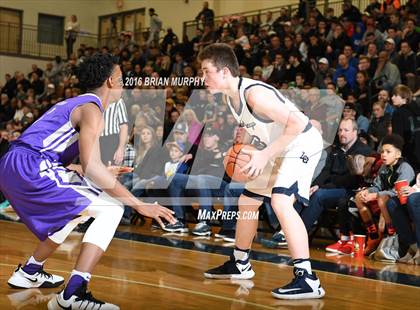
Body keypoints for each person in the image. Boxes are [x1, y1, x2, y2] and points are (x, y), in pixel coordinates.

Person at [0, 53, 175, 309]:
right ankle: (73, 295)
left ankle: (29, 271)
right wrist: (139, 205)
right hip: (30, 166)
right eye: (122, 78)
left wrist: (98, 170)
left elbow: (79, 161)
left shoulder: (76, 103)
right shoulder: (92, 108)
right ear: (111, 81)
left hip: (16, 165)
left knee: (74, 212)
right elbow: (91, 167)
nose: (124, 83)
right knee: (112, 208)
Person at [199, 43, 325, 299]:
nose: (202, 78)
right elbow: (254, 126)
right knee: (247, 201)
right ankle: (240, 262)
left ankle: (308, 278)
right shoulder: (230, 96)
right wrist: (240, 149)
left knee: (280, 202)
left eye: (205, 71)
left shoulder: (254, 94)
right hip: (277, 147)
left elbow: (299, 123)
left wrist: (264, 155)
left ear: (224, 72)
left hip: (302, 143)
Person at [355, 134, 415, 255]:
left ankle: (391, 235)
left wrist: (376, 195)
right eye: (382, 151)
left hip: (402, 203)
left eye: (388, 152)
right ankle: (373, 235)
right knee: (358, 197)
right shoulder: (384, 167)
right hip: (384, 200)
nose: (383, 154)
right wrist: (368, 191)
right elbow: (377, 186)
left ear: (398, 154)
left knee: (382, 198)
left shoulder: (405, 167)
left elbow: (398, 191)